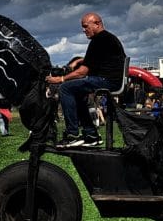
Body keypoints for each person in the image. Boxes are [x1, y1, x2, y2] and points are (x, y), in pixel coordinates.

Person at [46, 12, 126, 148]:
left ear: (97, 23)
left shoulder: (98, 40)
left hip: (107, 81)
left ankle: (72, 134)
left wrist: (60, 78)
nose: (83, 30)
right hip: (112, 80)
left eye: (85, 26)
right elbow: (96, 59)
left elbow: (82, 72)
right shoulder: (108, 39)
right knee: (77, 94)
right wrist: (79, 60)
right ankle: (91, 135)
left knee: (65, 88)